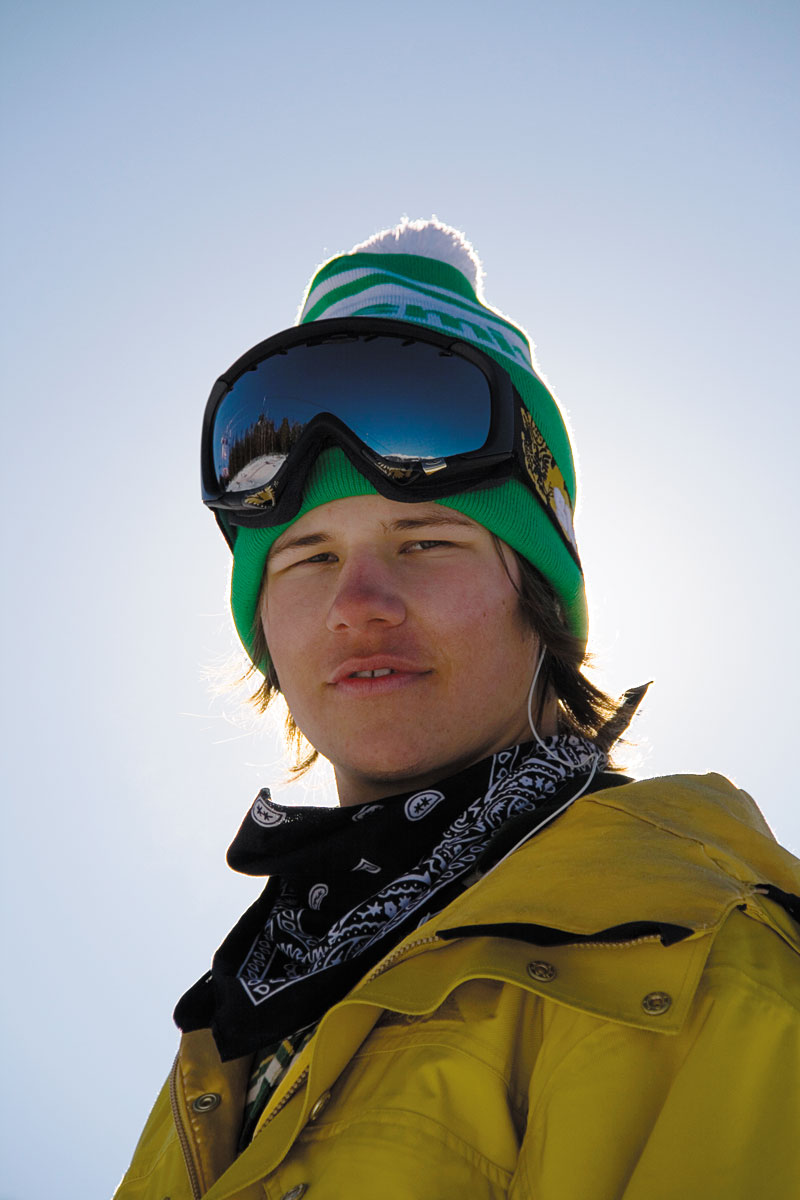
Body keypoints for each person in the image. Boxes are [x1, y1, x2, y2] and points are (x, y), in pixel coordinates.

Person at [115, 219, 800, 1200]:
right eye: (309, 558)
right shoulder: (232, 1031)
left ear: (540, 599)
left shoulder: (692, 955)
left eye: (425, 543)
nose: (358, 606)